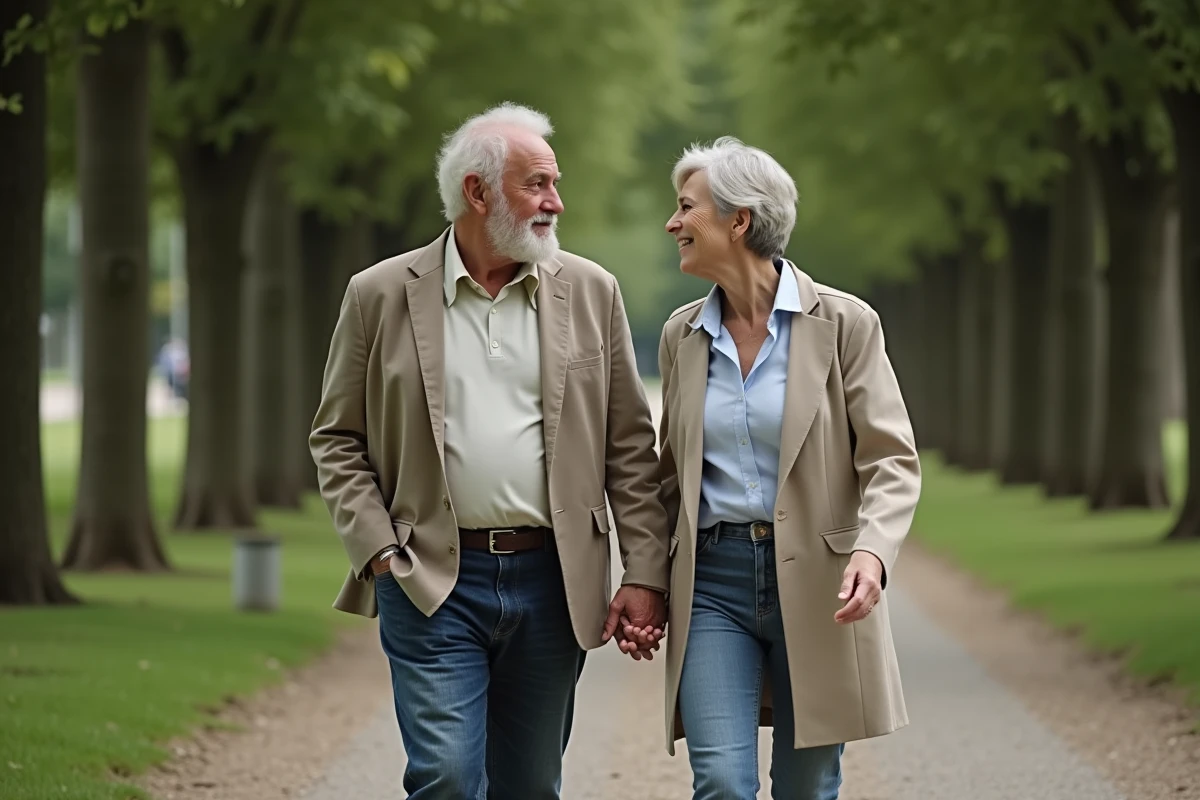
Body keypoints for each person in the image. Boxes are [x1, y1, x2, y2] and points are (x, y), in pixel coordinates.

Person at [309, 102, 669, 799]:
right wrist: (380, 549)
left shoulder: (593, 292)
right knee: (444, 775)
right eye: (536, 184)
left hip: (554, 581)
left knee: (530, 785)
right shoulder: (378, 294)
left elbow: (629, 445)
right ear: (477, 192)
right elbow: (337, 437)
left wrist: (644, 571)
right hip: (431, 578)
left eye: (554, 184)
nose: (555, 202)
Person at [649, 136, 921, 799]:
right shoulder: (680, 336)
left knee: (807, 785)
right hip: (712, 583)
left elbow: (891, 458)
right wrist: (642, 580)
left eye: (686, 208)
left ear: (739, 220)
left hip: (822, 586)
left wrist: (873, 553)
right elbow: (665, 480)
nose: (673, 223)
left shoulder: (846, 323)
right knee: (721, 780)